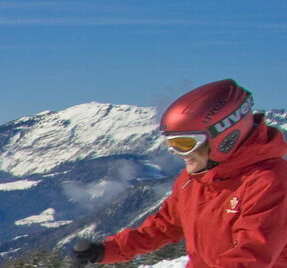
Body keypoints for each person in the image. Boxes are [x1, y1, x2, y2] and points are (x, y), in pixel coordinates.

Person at [73, 79, 287, 267]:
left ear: (225, 137)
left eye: (184, 144)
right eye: (171, 144)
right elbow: (163, 227)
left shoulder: (270, 182)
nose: (176, 153)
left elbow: (252, 256)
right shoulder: (195, 179)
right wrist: (106, 250)